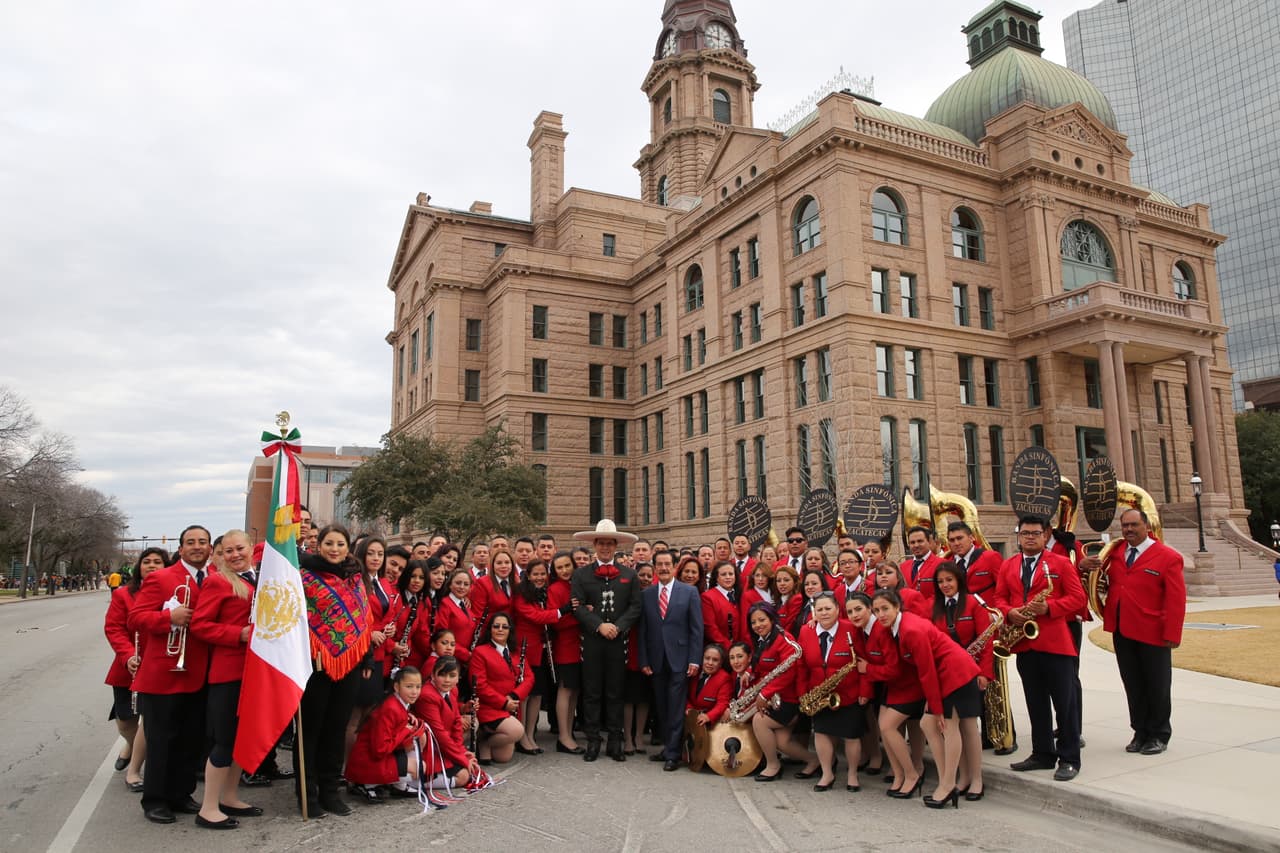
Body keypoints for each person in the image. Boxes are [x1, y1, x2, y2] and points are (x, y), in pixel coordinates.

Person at [859, 589, 981, 807]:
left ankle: (948, 785)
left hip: (956, 673)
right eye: (876, 610)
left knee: (948, 727)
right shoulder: (896, 628)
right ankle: (946, 782)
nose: (881, 614)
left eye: (885, 608)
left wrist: (936, 708)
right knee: (928, 724)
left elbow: (927, 671)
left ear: (897, 607)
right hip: (945, 674)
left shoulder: (911, 629)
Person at [128, 525, 213, 825]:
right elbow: (136, 617)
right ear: (180, 548)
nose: (197, 547)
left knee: (190, 740)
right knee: (161, 740)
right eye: (191, 542)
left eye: (202, 542)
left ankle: (181, 793)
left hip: (198, 673)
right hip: (163, 673)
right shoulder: (162, 578)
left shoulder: (215, 579)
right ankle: (155, 799)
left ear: (210, 548)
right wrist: (169, 617)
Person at [993, 515, 1087, 782]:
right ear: (1019, 536)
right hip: (1023, 644)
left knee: (1064, 705)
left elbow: (1078, 598)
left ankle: (1069, 758)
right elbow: (999, 597)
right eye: (1025, 533)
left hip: (1055, 643)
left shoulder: (1060, 563)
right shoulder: (1009, 565)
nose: (1030, 537)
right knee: (1036, 703)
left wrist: (1050, 607)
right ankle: (1042, 753)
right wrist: (1009, 613)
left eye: (1035, 533)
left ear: (1045, 535)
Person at [1096, 509, 1187, 756]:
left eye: (1134, 525)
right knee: (1133, 684)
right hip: (1122, 629)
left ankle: (1159, 733)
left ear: (1146, 526)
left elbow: (1176, 600)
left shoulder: (1168, 557)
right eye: (1125, 525)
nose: (1129, 530)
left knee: (1156, 685)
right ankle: (1140, 731)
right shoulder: (1115, 553)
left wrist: (1172, 634)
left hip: (1153, 631)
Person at [295, 524, 371, 816]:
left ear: (348, 547)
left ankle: (330, 791)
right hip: (315, 663)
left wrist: (366, 657)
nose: (334, 549)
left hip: (350, 663)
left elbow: (364, 620)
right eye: (329, 543)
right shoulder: (304, 575)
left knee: (336, 729)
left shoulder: (355, 578)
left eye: (340, 544)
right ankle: (307, 794)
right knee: (311, 730)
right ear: (319, 545)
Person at [189, 529, 260, 829]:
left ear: (251, 548)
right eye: (228, 550)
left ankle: (229, 796)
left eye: (239, 548)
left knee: (244, 739)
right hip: (228, 672)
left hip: (256, 672)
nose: (235, 554)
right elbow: (200, 625)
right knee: (224, 741)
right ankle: (208, 807)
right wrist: (237, 634)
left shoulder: (263, 579)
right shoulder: (219, 582)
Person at [571, 519, 643, 762]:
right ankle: (593, 740)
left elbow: (635, 606)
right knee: (591, 691)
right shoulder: (581, 575)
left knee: (615, 691)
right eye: (601, 543)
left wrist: (619, 627)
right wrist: (598, 625)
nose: (605, 548)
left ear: (615, 546)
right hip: (592, 640)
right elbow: (577, 606)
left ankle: (615, 740)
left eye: (609, 544)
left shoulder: (629, 574)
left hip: (617, 640)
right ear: (594, 545)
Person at [105, 547, 167, 792]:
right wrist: (128, 654)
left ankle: (136, 769)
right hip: (129, 667)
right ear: (139, 566)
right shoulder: (122, 595)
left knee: (150, 720)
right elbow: (114, 629)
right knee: (126, 722)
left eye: (158, 562)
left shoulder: (173, 593)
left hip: (160, 666)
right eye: (147, 561)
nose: (152, 565)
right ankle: (131, 745)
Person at [929, 562, 992, 800]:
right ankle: (963, 777)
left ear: (959, 581)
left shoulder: (974, 603)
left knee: (968, 727)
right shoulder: (935, 607)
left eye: (949, 580)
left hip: (970, 673)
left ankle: (977, 779)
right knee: (951, 728)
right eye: (941, 582)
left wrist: (984, 673)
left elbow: (985, 640)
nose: (945, 585)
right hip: (946, 675)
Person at [638, 550, 704, 770]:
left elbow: (696, 629)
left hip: (681, 659)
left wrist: (695, 659)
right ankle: (668, 747)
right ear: (655, 567)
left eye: (668, 564)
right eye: (660, 564)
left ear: (675, 566)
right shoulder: (647, 594)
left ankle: (673, 754)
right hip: (656, 660)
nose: (664, 568)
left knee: (676, 707)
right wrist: (644, 660)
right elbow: (643, 631)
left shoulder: (689, 592)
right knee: (662, 707)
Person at [797, 592, 869, 792]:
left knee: (851, 736)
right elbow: (802, 667)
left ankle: (852, 774)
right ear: (814, 613)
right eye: (819, 609)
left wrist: (864, 691)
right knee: (821, 733)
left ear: (838, 609)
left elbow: (863, 662)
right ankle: (827, 773)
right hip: (819, 695)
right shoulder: (805, 631)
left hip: (849, 693)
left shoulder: (851, 629)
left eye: (828, 608)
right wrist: (803, 694)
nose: (824, 613)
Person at [746, 603, 819, 782]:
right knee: (782, 742)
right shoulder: (763, 639)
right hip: (777, 696)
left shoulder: (783, 640)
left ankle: (773, 765)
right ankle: (814, 761)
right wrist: (749, 672)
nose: (758, 625)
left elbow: (789, 672)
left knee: (759, 721)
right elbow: (766, 667)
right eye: (754, 622)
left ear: (772, 619)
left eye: (762, 620)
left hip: (789, 699)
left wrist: (764, 694)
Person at [345, 667, 432, 798]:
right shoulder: (390, 708)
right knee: (419, 767)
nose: (414, 692)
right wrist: (405, 730)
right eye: (409, 686)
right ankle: (366, 783)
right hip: (368, 761)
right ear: (396, 687)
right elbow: (380, 750)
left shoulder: (397, 702)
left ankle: (396, 785)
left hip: (376, 755)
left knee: (419, 739)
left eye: (418, 687)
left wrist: (408, 719)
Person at [512, 557, 568, 754]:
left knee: (537, 694)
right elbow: (536, 616)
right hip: (526, 649)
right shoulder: (521, 593)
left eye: (543, 574)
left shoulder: (545, 592)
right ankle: (521, 736)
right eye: (535, 574)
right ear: (528, 575)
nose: (539, 577)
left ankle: (530, 734)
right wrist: (562, 611)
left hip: (543, 650)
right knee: (526, 694)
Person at [470, 612, 532, 764]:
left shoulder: (516, 652)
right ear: (490, 629)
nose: (500, 629)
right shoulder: (480, 651)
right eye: (496, 626)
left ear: (510, 630)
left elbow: (530, 678)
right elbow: (480, 685)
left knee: (503, 757)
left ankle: (487, 739)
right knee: (517, 731)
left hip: (510, 705)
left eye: (505, 627)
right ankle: (484, 742)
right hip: (490, 706)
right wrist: (503, 702)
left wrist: (514, 696)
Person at [412, 657, 478, 793]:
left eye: (452, 675)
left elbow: (456, 725)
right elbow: (439, 734)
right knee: (463, 776)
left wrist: (462, 752)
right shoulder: (427, 695)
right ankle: (412, 783)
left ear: (458, 678)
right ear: (433, 675)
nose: (447, 680)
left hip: (442, 746)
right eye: (442, 675)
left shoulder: (452, 691)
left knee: (471, 769)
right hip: (429, 747)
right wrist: (462, 759)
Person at [547, 551, 585, 754]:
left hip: (580, 646)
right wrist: (579, 617)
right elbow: (556, 621)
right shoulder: (555, 589)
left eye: (567, 566)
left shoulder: (577, 585)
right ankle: (563, 735)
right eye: (559, 567)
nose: (564, 570)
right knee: (565, 690)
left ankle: (568, 732)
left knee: (574, 692)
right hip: (566, 645)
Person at [622, 562, 654, 755]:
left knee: (643, 698)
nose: (646, 579)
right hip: (629, 649)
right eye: (642, 575)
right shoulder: (628, 595)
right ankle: (627, 738)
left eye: (649, 575)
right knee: (628, 698)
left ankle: (639, 736)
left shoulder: (655, 595)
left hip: (649, 651)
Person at [434, 569, 478, 670]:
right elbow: (442, 635)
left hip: (463, 661)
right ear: (450, 585)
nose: (462, 587)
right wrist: (466, 655)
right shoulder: (445, 604)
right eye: (458, 583)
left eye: (466, 584)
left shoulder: (466, 606)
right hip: (450, 658)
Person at [946, 522, 1001, 599]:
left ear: (971, 538)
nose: (956, 543)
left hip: (988, 609)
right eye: (952, 540)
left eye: (960, 538)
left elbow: (1004, 588)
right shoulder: (946, 564)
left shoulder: (990, 557)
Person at [687, 644, 732, 729]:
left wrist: (708, 716)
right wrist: (689, 709)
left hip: (708, 723)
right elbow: (683, 694)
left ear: (721, 663)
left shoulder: (724, 678)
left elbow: (722, 703)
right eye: (707, 658)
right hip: (687, 717)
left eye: (715, 660)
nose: (710, 663)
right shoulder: (694, 672)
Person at [471, 549, 517, 633]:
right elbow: (478, 615)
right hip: (490, 633)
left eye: (507, 562)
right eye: (499, 563)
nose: (504, 566)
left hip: (512, 633)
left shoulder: (516, 582)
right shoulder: (482, 583)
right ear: (492, 565)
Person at [702, 561, 738, 649]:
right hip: (720, 649)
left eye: (730, 574)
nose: (728, 577)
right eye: (723, 574)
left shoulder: (739, 595)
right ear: (716, 578)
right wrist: (729, 647)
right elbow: (710, 628)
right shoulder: (708, 597)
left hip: (740, 648)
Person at [903, 526, 942, 595]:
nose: (916, 545)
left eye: (920, 541)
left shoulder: (942, 564)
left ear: (929, 542)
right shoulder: (903, 566)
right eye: (912, 542)